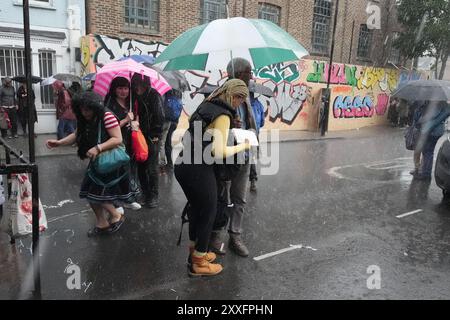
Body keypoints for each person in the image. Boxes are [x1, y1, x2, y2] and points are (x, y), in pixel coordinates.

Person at [175, 79, 250, 276]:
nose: (239, 103)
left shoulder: (207, 105)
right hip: (199, 168)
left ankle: (195, 252)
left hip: (184, 164)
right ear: (232, 94)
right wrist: (244, 145)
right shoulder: (224, 114)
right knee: (208, 212)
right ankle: (199, 263)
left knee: (196, 210)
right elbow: (218, 151)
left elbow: (201, 135)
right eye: (239, 98)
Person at [46, 91, 129, 236]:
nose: (85, 113)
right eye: (82, 109)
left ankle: (116, 215)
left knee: (95, 193)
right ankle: (102, 223)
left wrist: (98, 148)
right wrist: (58, 143)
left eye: (88, 109)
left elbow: (117, 139)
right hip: (98, 162)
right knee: (90, 193)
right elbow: (77, 134)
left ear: (95, 107)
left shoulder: (107, 116)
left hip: (110, 161)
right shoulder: (85, 118)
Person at [209, 58, 257, 258]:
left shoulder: (244, 96)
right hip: (225, 157)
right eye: (248, 72)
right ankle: (215, 235)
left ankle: (235, 236)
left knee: (239, 199)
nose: (251, 76)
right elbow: (209, 130)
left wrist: (249, 133)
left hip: (244, 154)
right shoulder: (218, 97)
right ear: (237, 73)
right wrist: (229, 127)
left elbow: (252, 123)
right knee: (221, 198)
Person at [104, 77, 142, 211]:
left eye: (126, 88)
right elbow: (109, 128)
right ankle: (116, 203)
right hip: (117, 144)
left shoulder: (130, 104)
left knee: (129, 171)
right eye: (120, 88)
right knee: (117, 173)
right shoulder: (110, 105)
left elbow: (135, 120)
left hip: (130, 142)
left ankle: (128, 198)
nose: (123, 91)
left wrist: (135, 122)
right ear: (114, 89)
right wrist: (126, 120)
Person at [131, 74, 164, 208]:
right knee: (141, 166)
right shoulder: (133, 97)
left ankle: (153, 196)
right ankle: (145, 193)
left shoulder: (154, 95)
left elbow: (160, 116)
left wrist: (155, 134)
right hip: (139, 134)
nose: (137, 87)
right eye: (135, 84)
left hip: (151, 136)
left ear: (146, 84)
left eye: (140, 84)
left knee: (151, 167)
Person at [414, 101, 450, 180]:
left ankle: (426, 174)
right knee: (429, 152)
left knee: (427, 152)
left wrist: (421, 119)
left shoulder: (436, 104)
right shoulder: (444, 104)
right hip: (437, 131)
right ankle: (426, 172)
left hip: (431, 131)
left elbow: (430, 117)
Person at [159, 89, 183, 172]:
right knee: (168, 142)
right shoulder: (178, 92)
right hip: (174, 120)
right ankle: (170, 163)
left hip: (166, 120)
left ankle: (164, 164)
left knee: (163, 142)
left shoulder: (166, 91)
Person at [248, 92, 265, 192]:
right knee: (251, 158)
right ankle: (253, 181)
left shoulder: (242, 104)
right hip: (254, 134)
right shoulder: (259, 105)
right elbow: (262, 122)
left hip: (242, 134)